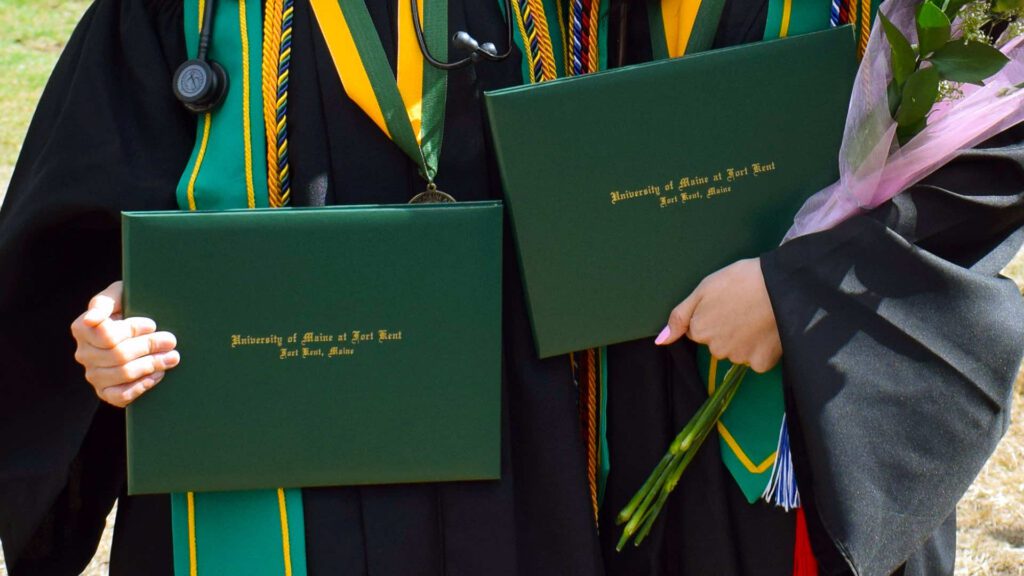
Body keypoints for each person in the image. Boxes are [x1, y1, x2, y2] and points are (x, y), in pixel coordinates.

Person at [1, 0, 1022, 574]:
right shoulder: (170, 11)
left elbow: (983, 136)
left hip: (650, 453)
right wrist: (104, 322)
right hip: (265, 487)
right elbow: (77, 229)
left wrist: (812, 289)